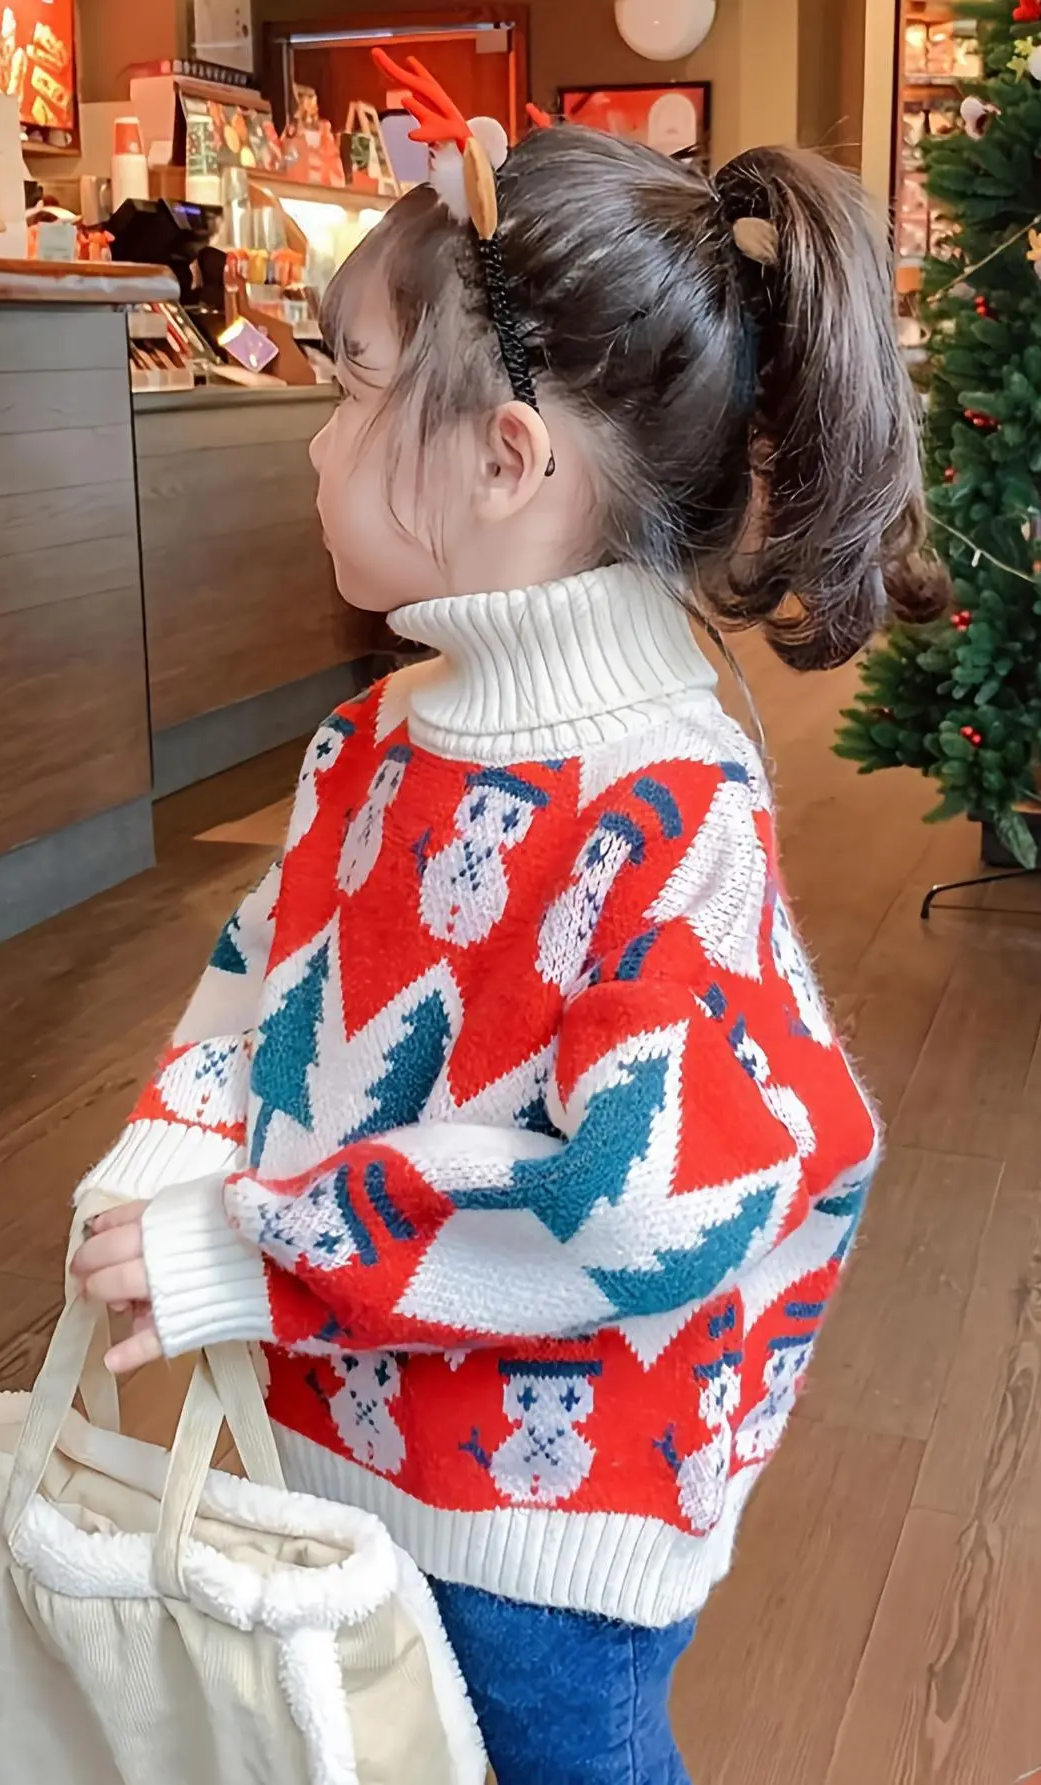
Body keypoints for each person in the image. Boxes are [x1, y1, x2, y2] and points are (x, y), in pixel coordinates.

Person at [70, 89, 945, 1785]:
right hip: (334, 1454)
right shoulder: (381, 733)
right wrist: (159, 1159)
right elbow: (268, 977)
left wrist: (262, 1251)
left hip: (537, 1547)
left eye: (352, 387)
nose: (316, 445)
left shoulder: (668, 806)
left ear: (506, 458)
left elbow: (647, 1195)